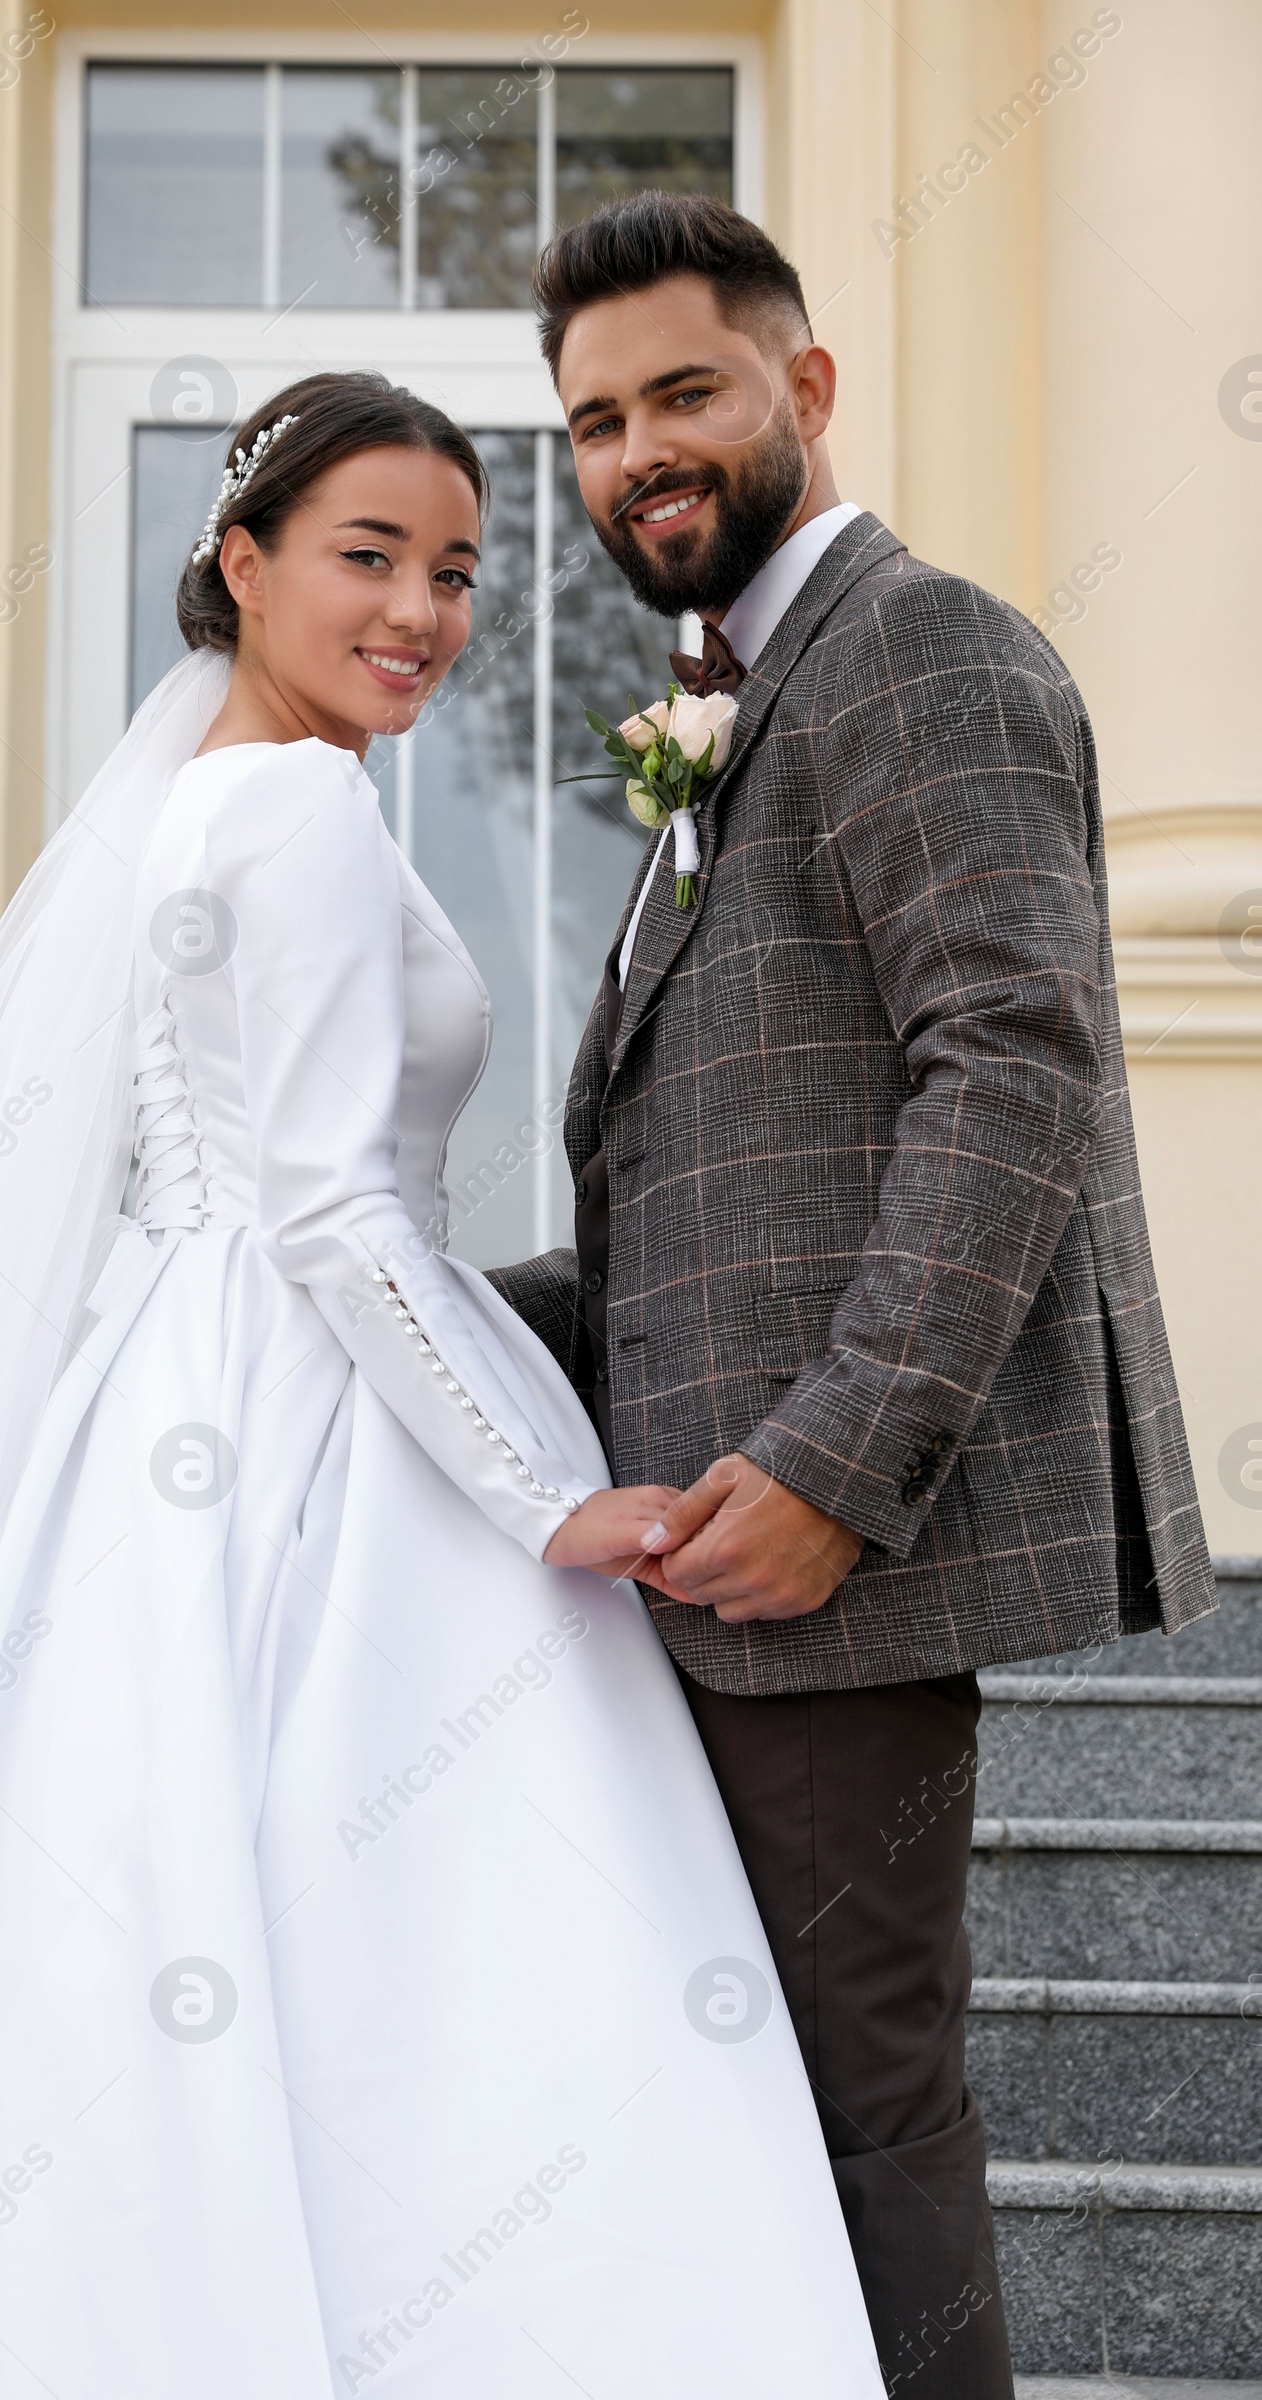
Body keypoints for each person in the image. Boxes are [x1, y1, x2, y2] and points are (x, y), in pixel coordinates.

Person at [0, 371, 886, 2398]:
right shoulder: (296, 804)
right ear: (238, 565)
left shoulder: (201, 793)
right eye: (367, 558)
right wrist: (535, 1495)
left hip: (186, 1385)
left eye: (460, 572)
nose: (421, 609)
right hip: (306, 1411)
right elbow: (325, 1211)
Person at [489, 194, 1217, 2400]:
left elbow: (1010, 1065)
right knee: (751, 2118)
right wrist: (372, 1319)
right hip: (693, 1547)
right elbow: (693, 1201)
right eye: (595, 421)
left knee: (855, 2111)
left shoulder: (918, 650)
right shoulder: (726, 704)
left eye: (680, 394)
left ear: (802, 389)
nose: (637, 453)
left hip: (820, 1554)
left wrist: (830, 1467)